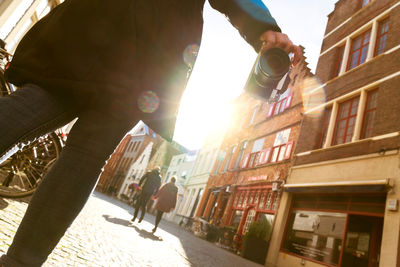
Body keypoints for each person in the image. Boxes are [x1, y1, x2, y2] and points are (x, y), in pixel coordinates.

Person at [0, 0, 301, 266]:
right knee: (87, 153)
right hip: (152, 45)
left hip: (96, 19)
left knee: (38, 101)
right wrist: (264, 27)